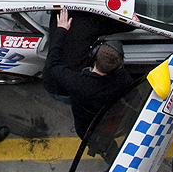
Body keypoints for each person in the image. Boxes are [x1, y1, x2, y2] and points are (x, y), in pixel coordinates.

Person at [43, 9, 134, 139]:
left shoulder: (77, 83)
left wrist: (61, 30)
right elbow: (129, 25)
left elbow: (52, 64)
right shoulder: (122, 80)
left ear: (94, 55)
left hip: (57, 91)